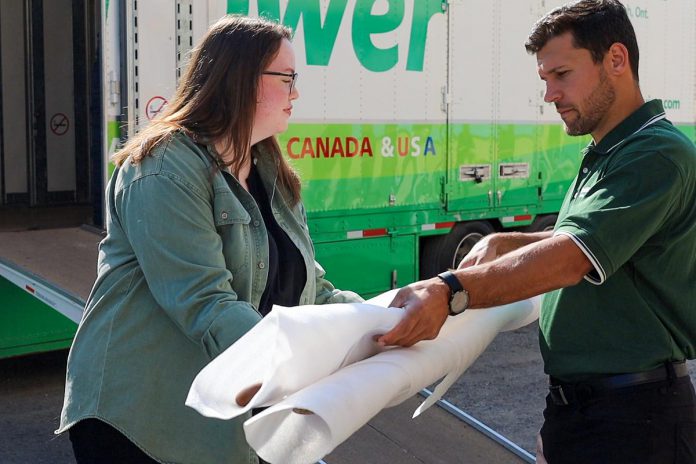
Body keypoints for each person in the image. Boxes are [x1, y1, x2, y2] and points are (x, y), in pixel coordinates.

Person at [377, 1, 696, 462]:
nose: (550, 95)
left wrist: (450, 291)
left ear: (617, 60)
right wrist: (508, 241)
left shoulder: (655, 155)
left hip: (634, 420)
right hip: (588, 412)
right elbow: (590, 242)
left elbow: (572, 256)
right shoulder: (612, 149)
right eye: (544, 80)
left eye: (562, 74)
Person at [57, 15, 362, 464]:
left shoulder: (270, 170)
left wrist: (381, 318)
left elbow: (311, 290)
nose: (296, 92)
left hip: (222, 425)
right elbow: (207, 305)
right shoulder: (161, 168)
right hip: (139, 422)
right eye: (287, 77)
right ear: (241, 80)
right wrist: (310, 359)